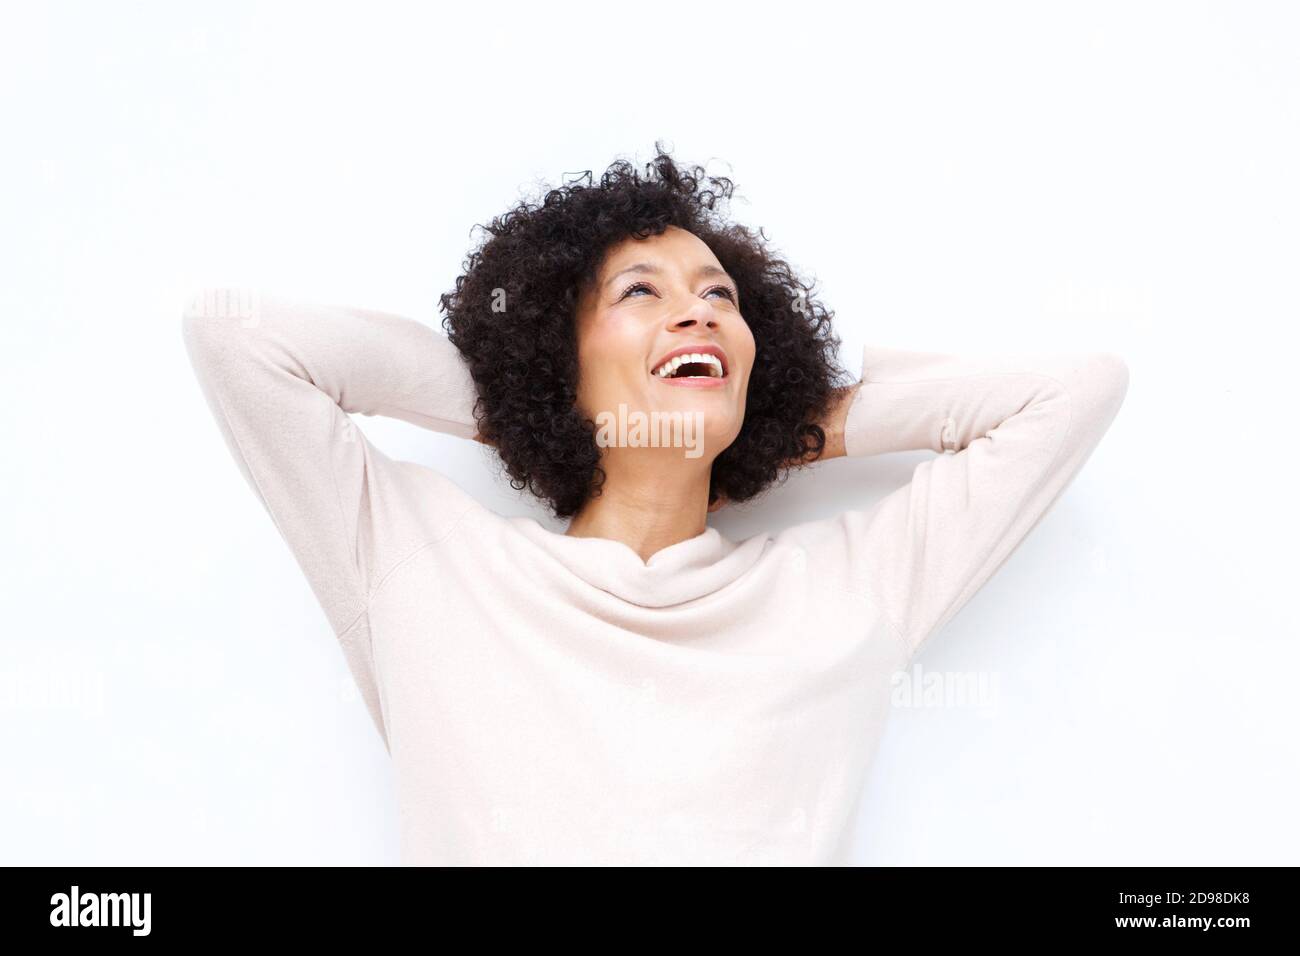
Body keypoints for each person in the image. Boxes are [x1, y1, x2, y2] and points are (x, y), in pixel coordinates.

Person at [180, 144, 1130, 865]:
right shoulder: (422, 566)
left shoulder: (844, 594)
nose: (702, 311)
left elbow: (1072, 393)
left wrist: (787, 419)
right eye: (642, 291)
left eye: (721, 296)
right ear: (561, 348)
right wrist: (531, 405)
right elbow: (236, 338)